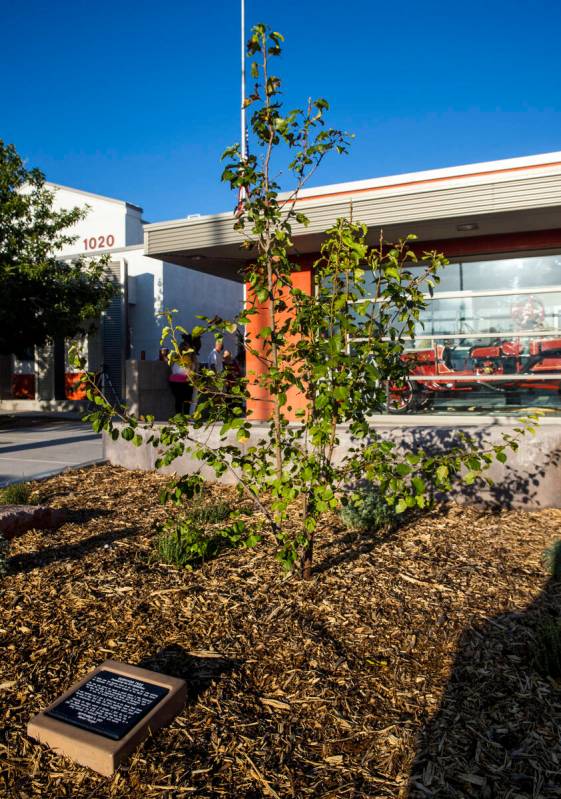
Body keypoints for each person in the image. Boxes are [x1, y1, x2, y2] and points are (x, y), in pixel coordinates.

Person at [168, 334, 198, 414]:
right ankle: (185, 417)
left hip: (174, 381)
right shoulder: (189, 358)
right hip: (185, 381)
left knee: (178, 401)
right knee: (186, 401)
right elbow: (191, 370)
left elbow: (172, 367)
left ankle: (179, 417)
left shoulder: (176, 356)